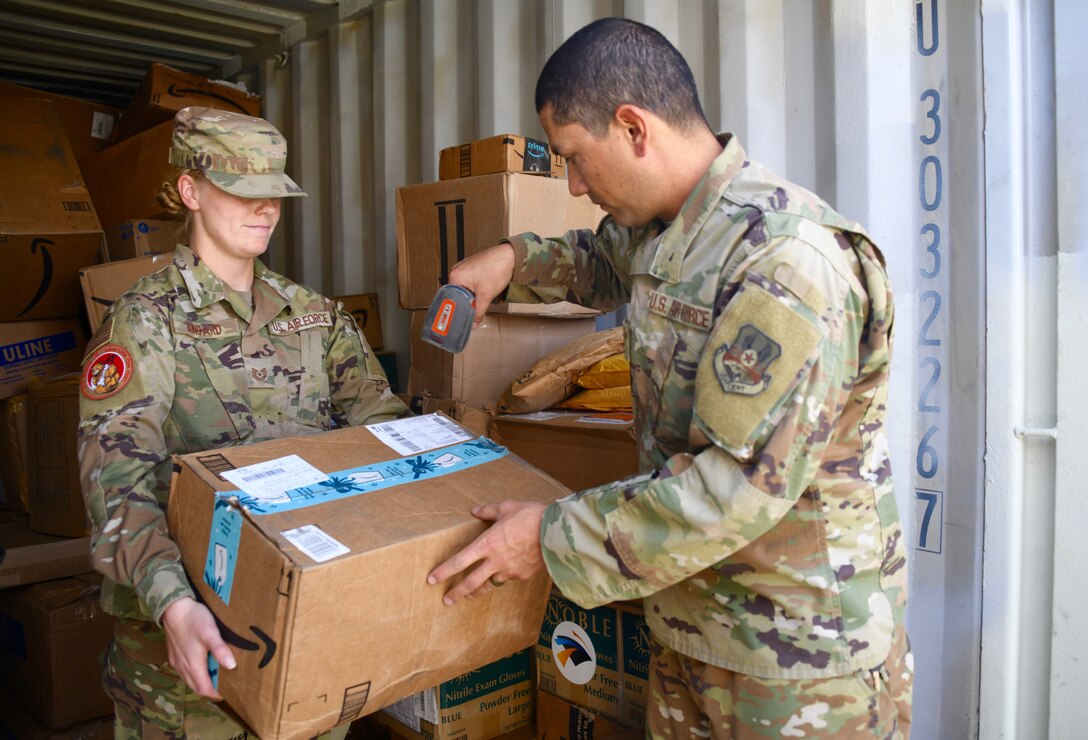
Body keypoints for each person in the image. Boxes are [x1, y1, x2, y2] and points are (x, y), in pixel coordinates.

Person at [427, 17, 913, 738]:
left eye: (575, 158)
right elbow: (601, 263)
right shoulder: (669, 226)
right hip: (695, 626)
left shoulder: (786, 263)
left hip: (795, 666)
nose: (574, 184)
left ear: (633, 128)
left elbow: (735, 486)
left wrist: (549, 538)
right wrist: (507, 260)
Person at [78, 106, 408, 738]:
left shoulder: (315, 316)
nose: (267, 210)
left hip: (308, 622)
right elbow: (117, 479)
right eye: (244, 191)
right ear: (190, 191)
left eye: (275, 195)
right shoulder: (145, 322)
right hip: (191, 655)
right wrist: (173, 601)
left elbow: (385, 434)